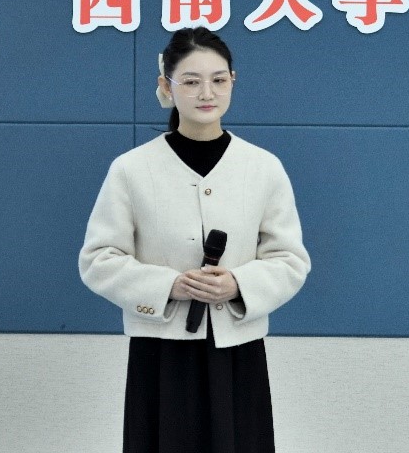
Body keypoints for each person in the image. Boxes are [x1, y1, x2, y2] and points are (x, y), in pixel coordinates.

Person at [80, 28, 310, 453]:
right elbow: (98, 259)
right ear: (166, 86)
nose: (207, 92)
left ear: (233, 81)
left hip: (237, 349)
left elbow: (289, 258)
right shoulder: (132, 169)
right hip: (160, 351)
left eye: (219, 80)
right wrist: (169, 285)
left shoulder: (263, 167)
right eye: (191, 81)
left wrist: (238, 284)